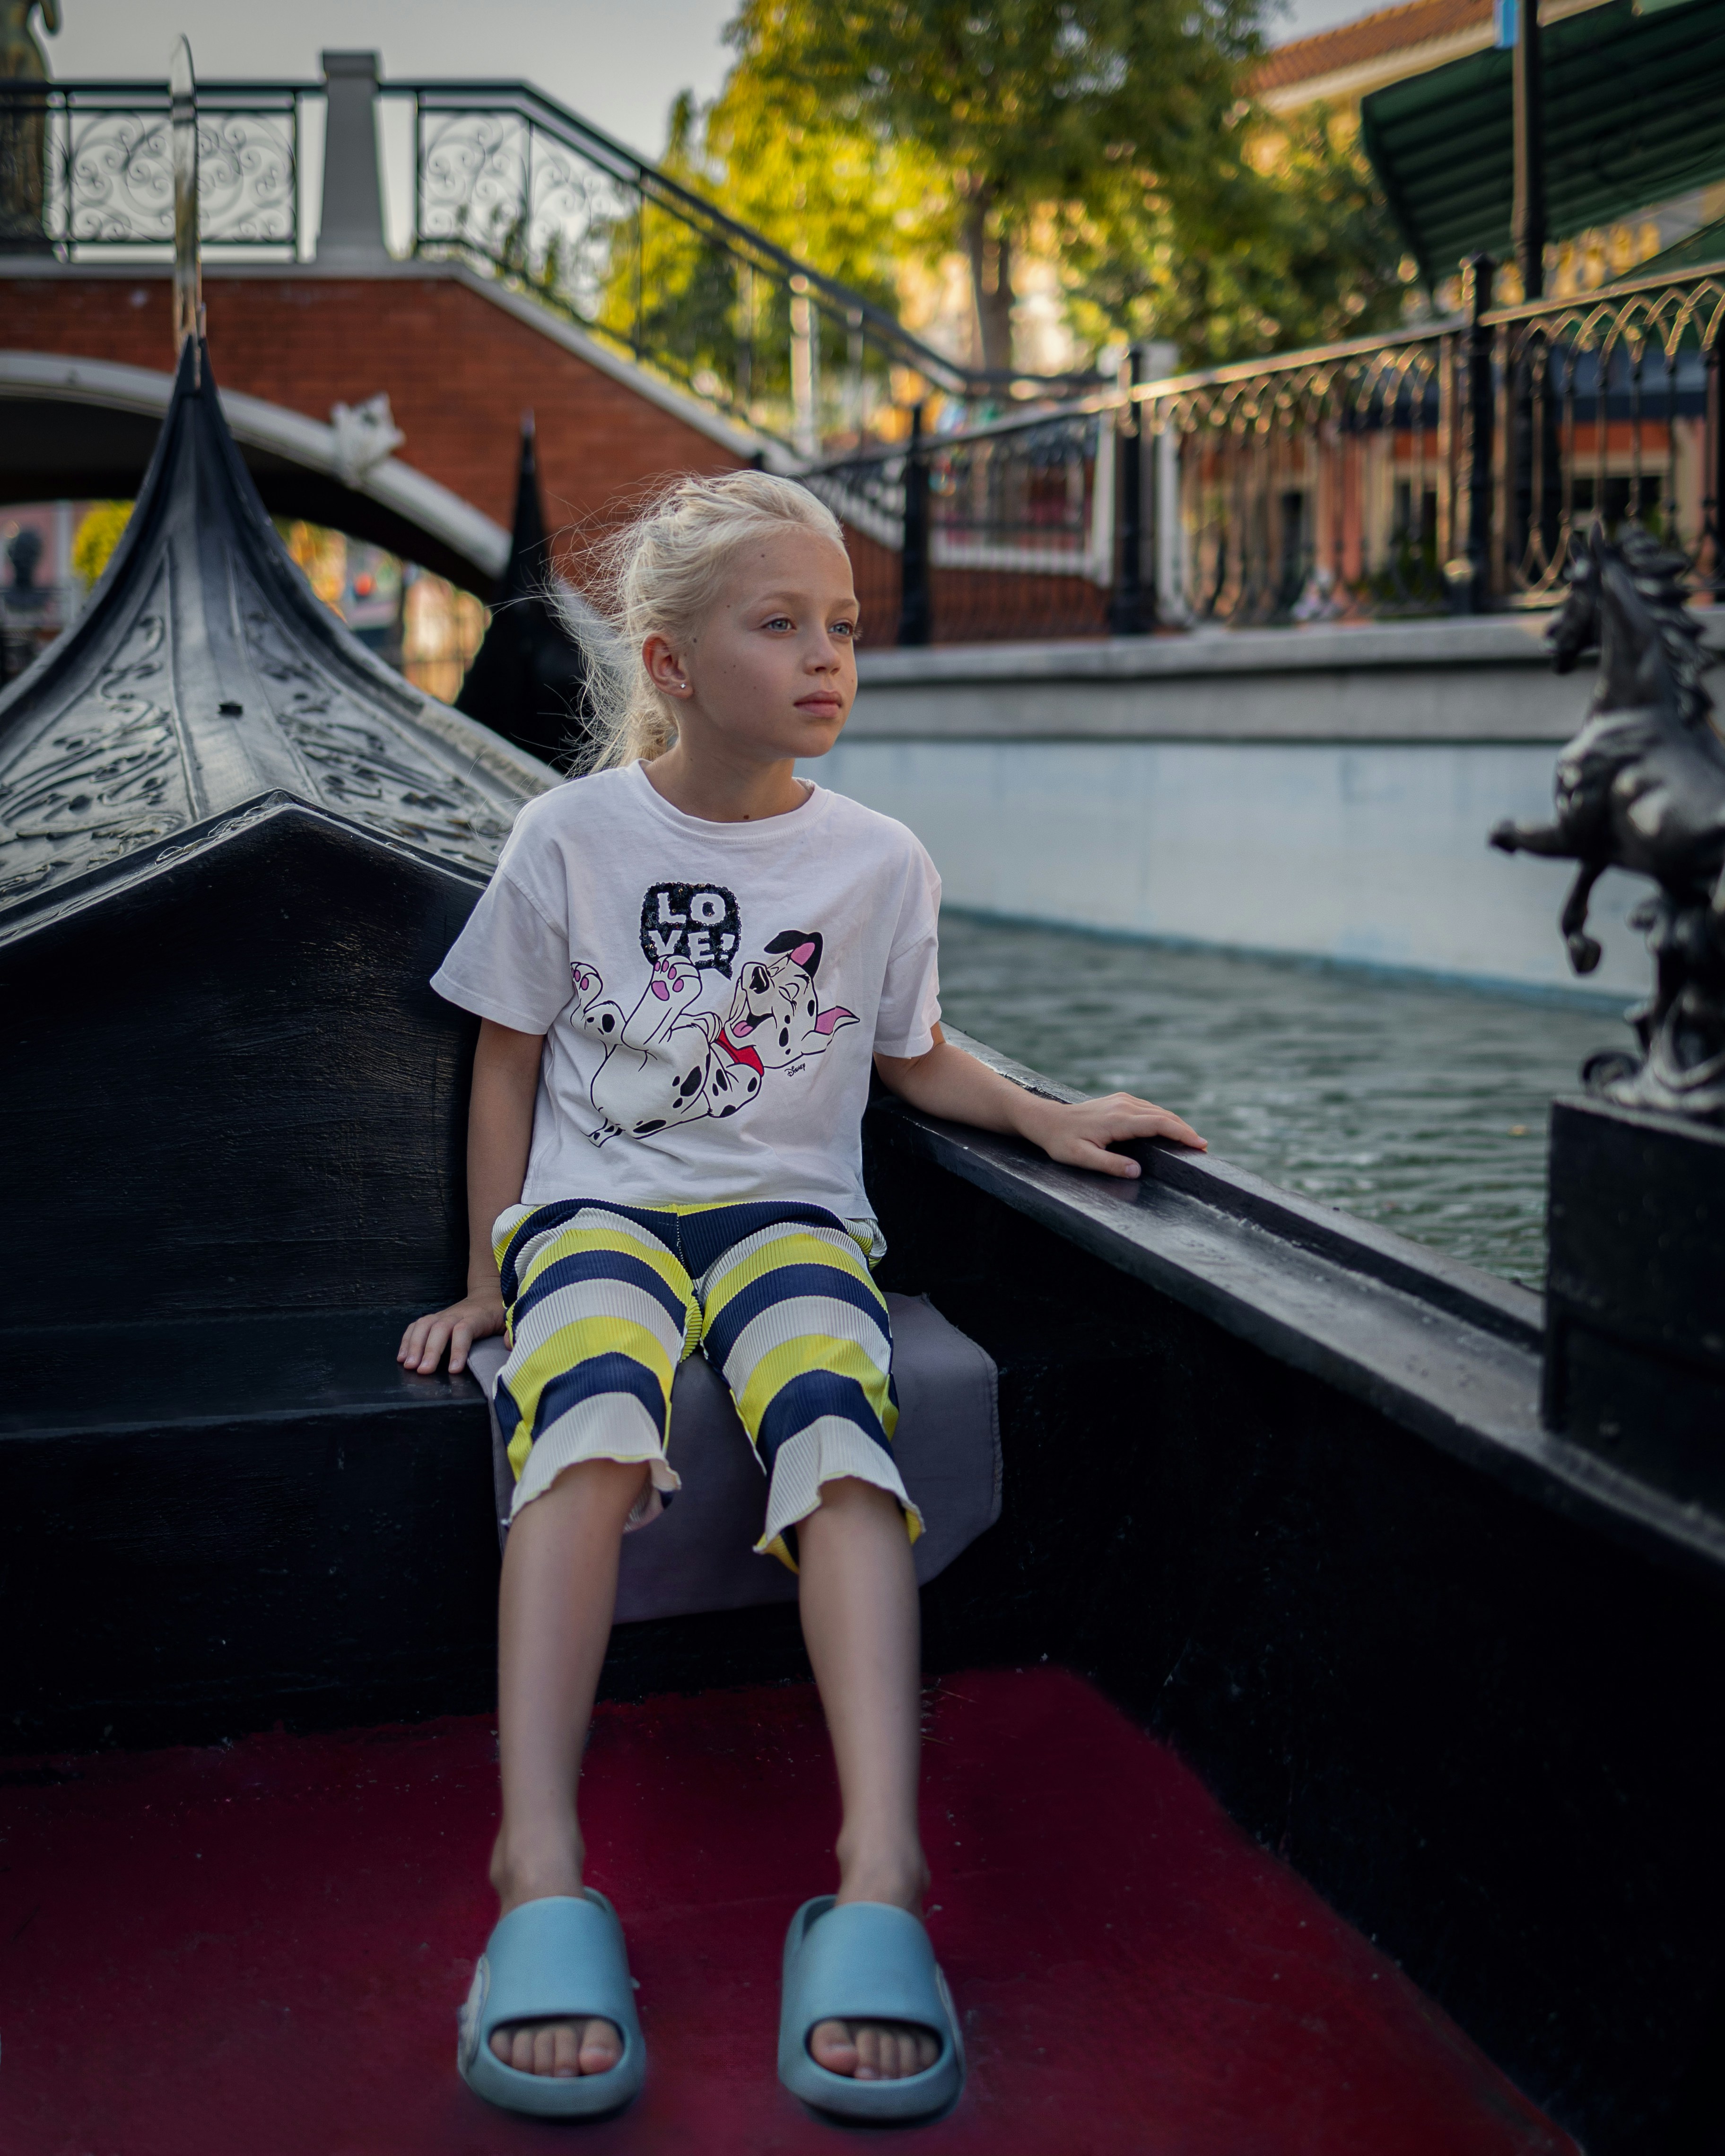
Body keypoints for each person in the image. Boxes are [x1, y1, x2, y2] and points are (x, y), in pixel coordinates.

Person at [399, 471, 1205, 2122]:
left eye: (840, 625)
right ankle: (538, 1862)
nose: (830, 656)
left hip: (790, 1219)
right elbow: (507, 1064)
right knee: (593, 1424)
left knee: (839, 1436)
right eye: (782, 627)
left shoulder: (879, 862)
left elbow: (907, 1055)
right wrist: (490, 1276)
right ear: (672, 663)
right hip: (597, 1215)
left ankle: (881, 1871)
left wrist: (1042, 1113)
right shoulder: (569, 837)